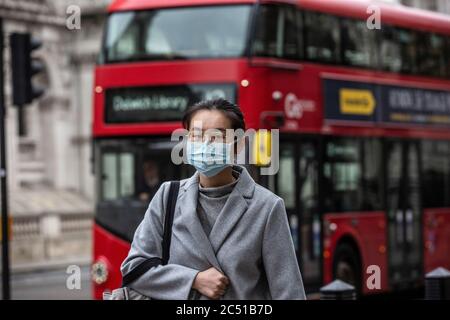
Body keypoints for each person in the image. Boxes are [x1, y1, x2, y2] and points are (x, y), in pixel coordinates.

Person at [121, 98, 306, 300]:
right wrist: (194, 280)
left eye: (217, 135)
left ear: (239, 144)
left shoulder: (267, 207)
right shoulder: (168, 196)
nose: (205, 144)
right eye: (197, 135)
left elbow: (289, 293)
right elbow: (134, 268)